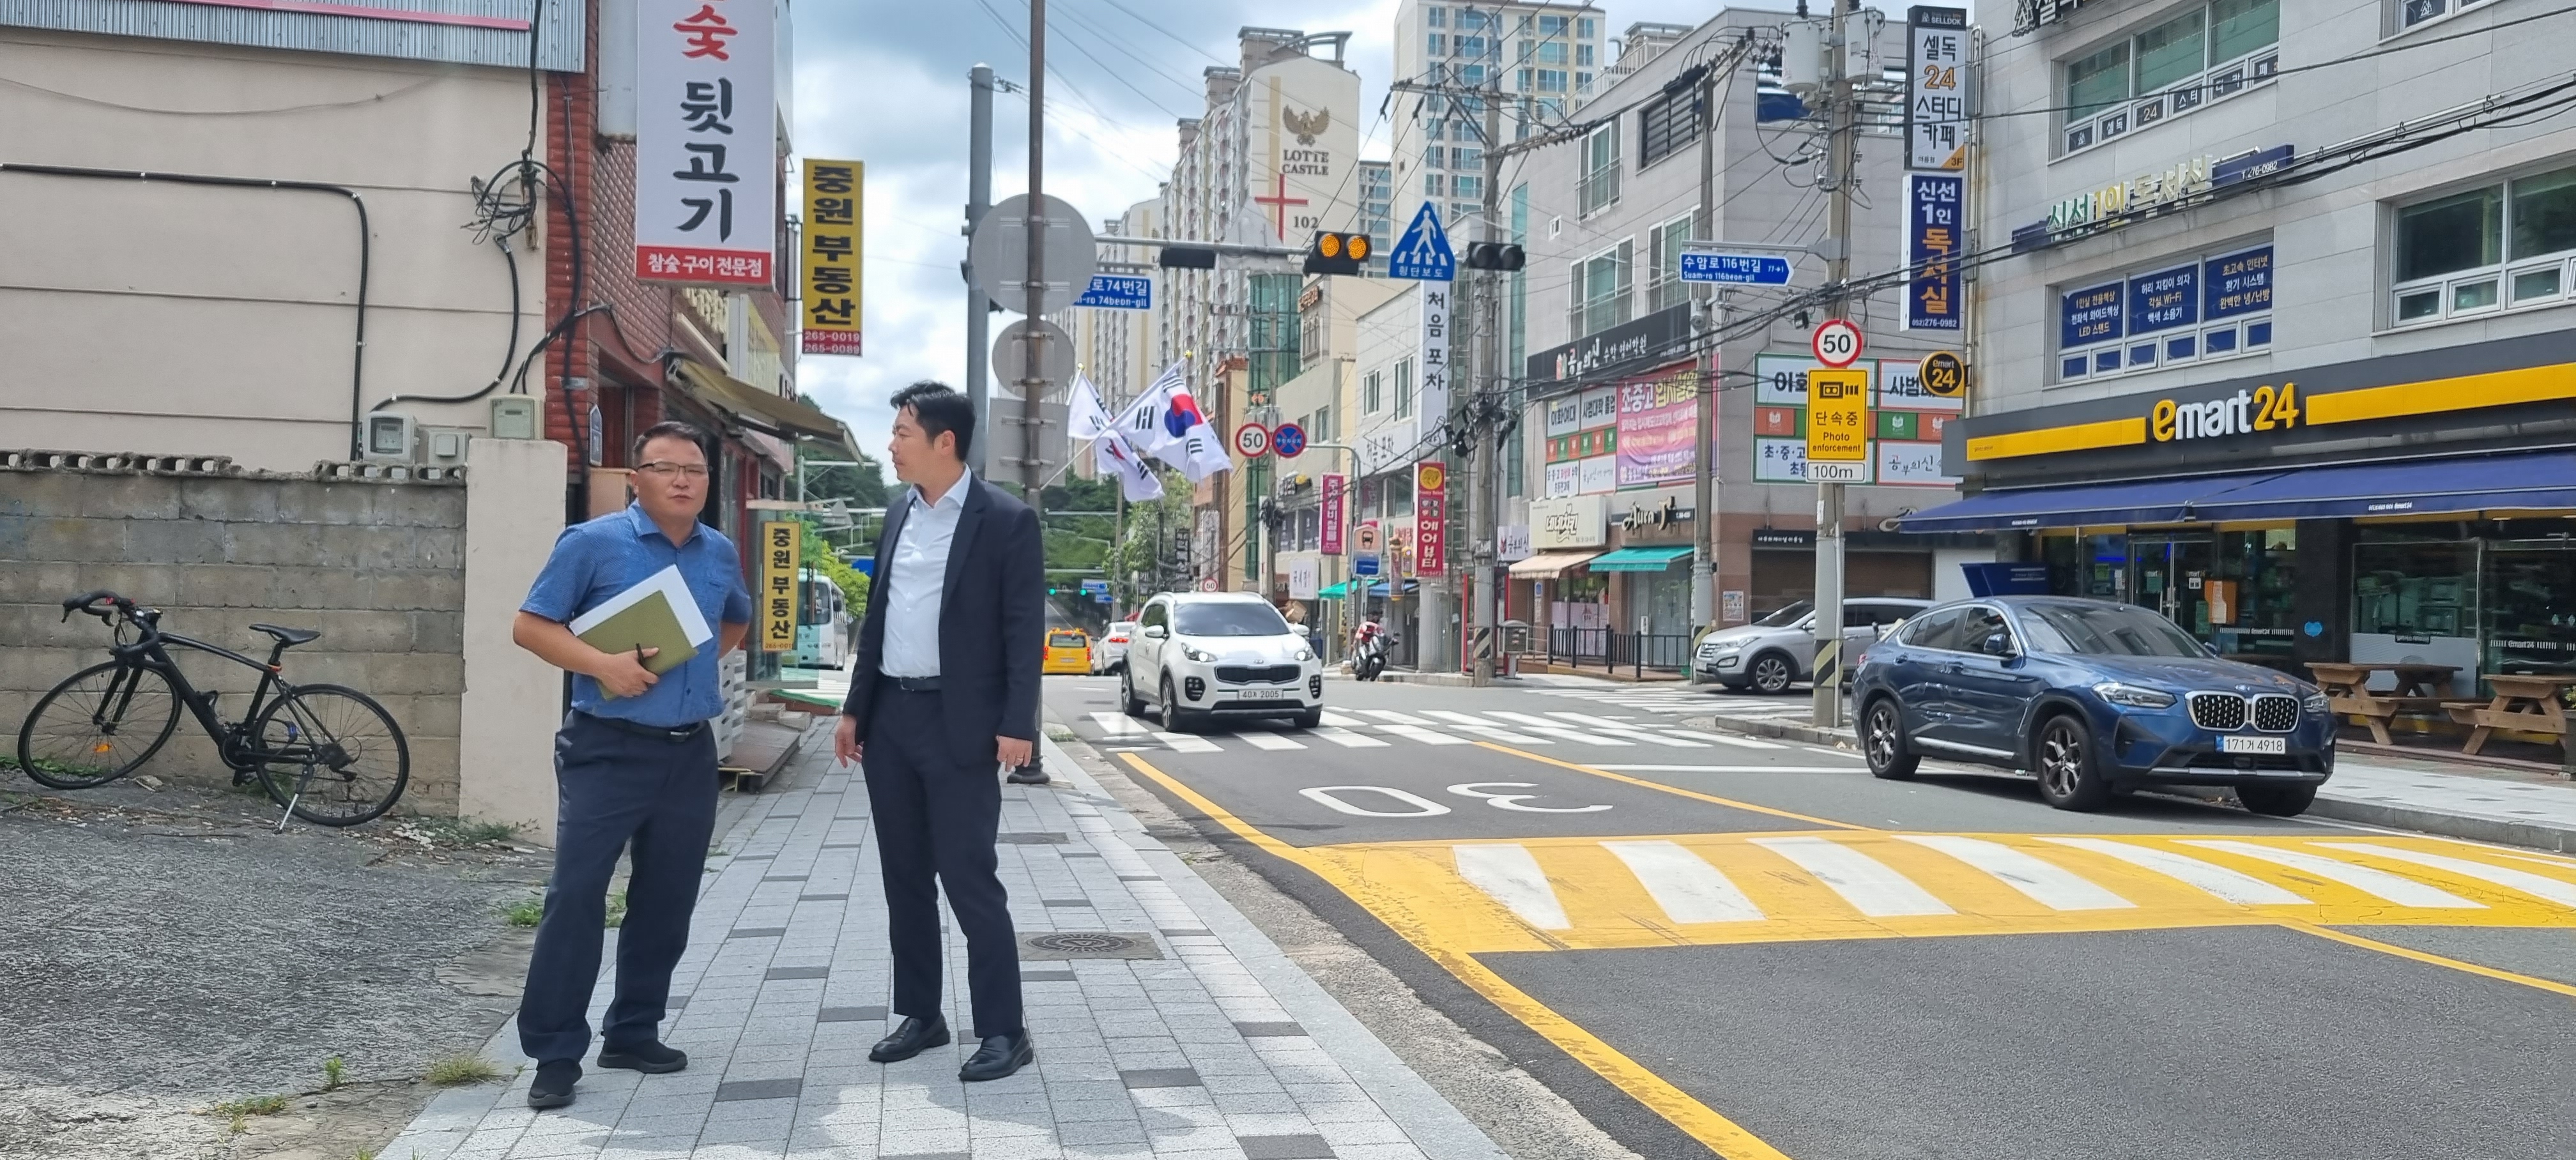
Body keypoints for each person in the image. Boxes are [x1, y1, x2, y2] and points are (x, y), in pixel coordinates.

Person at [509, 421, 753, 1110]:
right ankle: (555, 1052)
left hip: (689, 751)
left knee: (667, 897)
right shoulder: (592, 544)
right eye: (666, 467)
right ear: (635, 478)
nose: (683, 480)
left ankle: (633, 1030)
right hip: (606, 747)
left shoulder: (719, 551)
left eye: (695, 471)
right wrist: (602, 664)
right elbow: (530, 625)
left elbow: (733, 621)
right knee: (576, 894)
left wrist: (693, 663)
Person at [833, 381, 1043, 1083]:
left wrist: (1020, 724)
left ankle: (1004, 1030)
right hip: (892, 719)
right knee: (904, 879)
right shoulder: (898, 515)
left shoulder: (1005, 520)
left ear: (943, 442)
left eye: (901, 432)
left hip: (963, 726)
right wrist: (854, 710)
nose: (891, 444)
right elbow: (879, 621)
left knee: (967, 876)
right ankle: (921, 1014)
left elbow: (1022, 631)